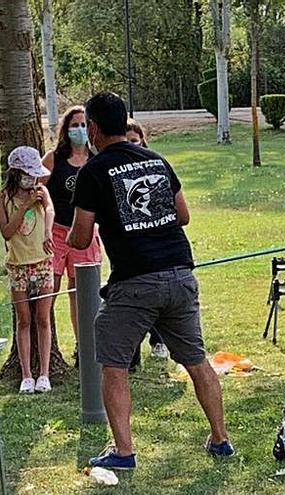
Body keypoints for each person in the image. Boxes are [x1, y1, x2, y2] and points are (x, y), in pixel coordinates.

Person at [68, 92, 233, 470]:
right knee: (196, 360)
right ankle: (220, 439)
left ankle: (123, 452)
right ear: (124, 123)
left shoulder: (93, 172)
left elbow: (79, 237)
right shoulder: (156, 160)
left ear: (92, 128)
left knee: (114, 364)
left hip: (135, 283)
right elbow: (183, 215)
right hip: (180, 275)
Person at [42, 106, 101, 366]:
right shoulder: (54, 159)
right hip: (55, 233)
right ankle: (43, 348)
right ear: (66, 130)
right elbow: (37, 192)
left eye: (83, 125)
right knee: (49, 291)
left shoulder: (96, 158)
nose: (79, 130)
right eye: (73, 125)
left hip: (84, 232)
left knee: (81, 293)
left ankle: (84, 347)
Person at [0, 146, 55, 394]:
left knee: (43, 318)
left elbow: (50, 210)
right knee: (24, 319)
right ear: (16, 174)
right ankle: (26, 374)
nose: (33, 180)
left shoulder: (42, 193)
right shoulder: (2, 200)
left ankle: (44, 373)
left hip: (43, 262)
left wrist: (49, 230)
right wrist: (25, 206)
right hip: (18, 265)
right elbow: (7, 232)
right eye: (27, 175)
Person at [125, 118, 169, 367]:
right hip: (131, 252)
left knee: (160, 298)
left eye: (135, 140)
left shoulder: (155, 165)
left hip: (158, 249)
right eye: (127, 141)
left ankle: (159, 340)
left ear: (142, 140)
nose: (132, 145)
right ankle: (133, 354)